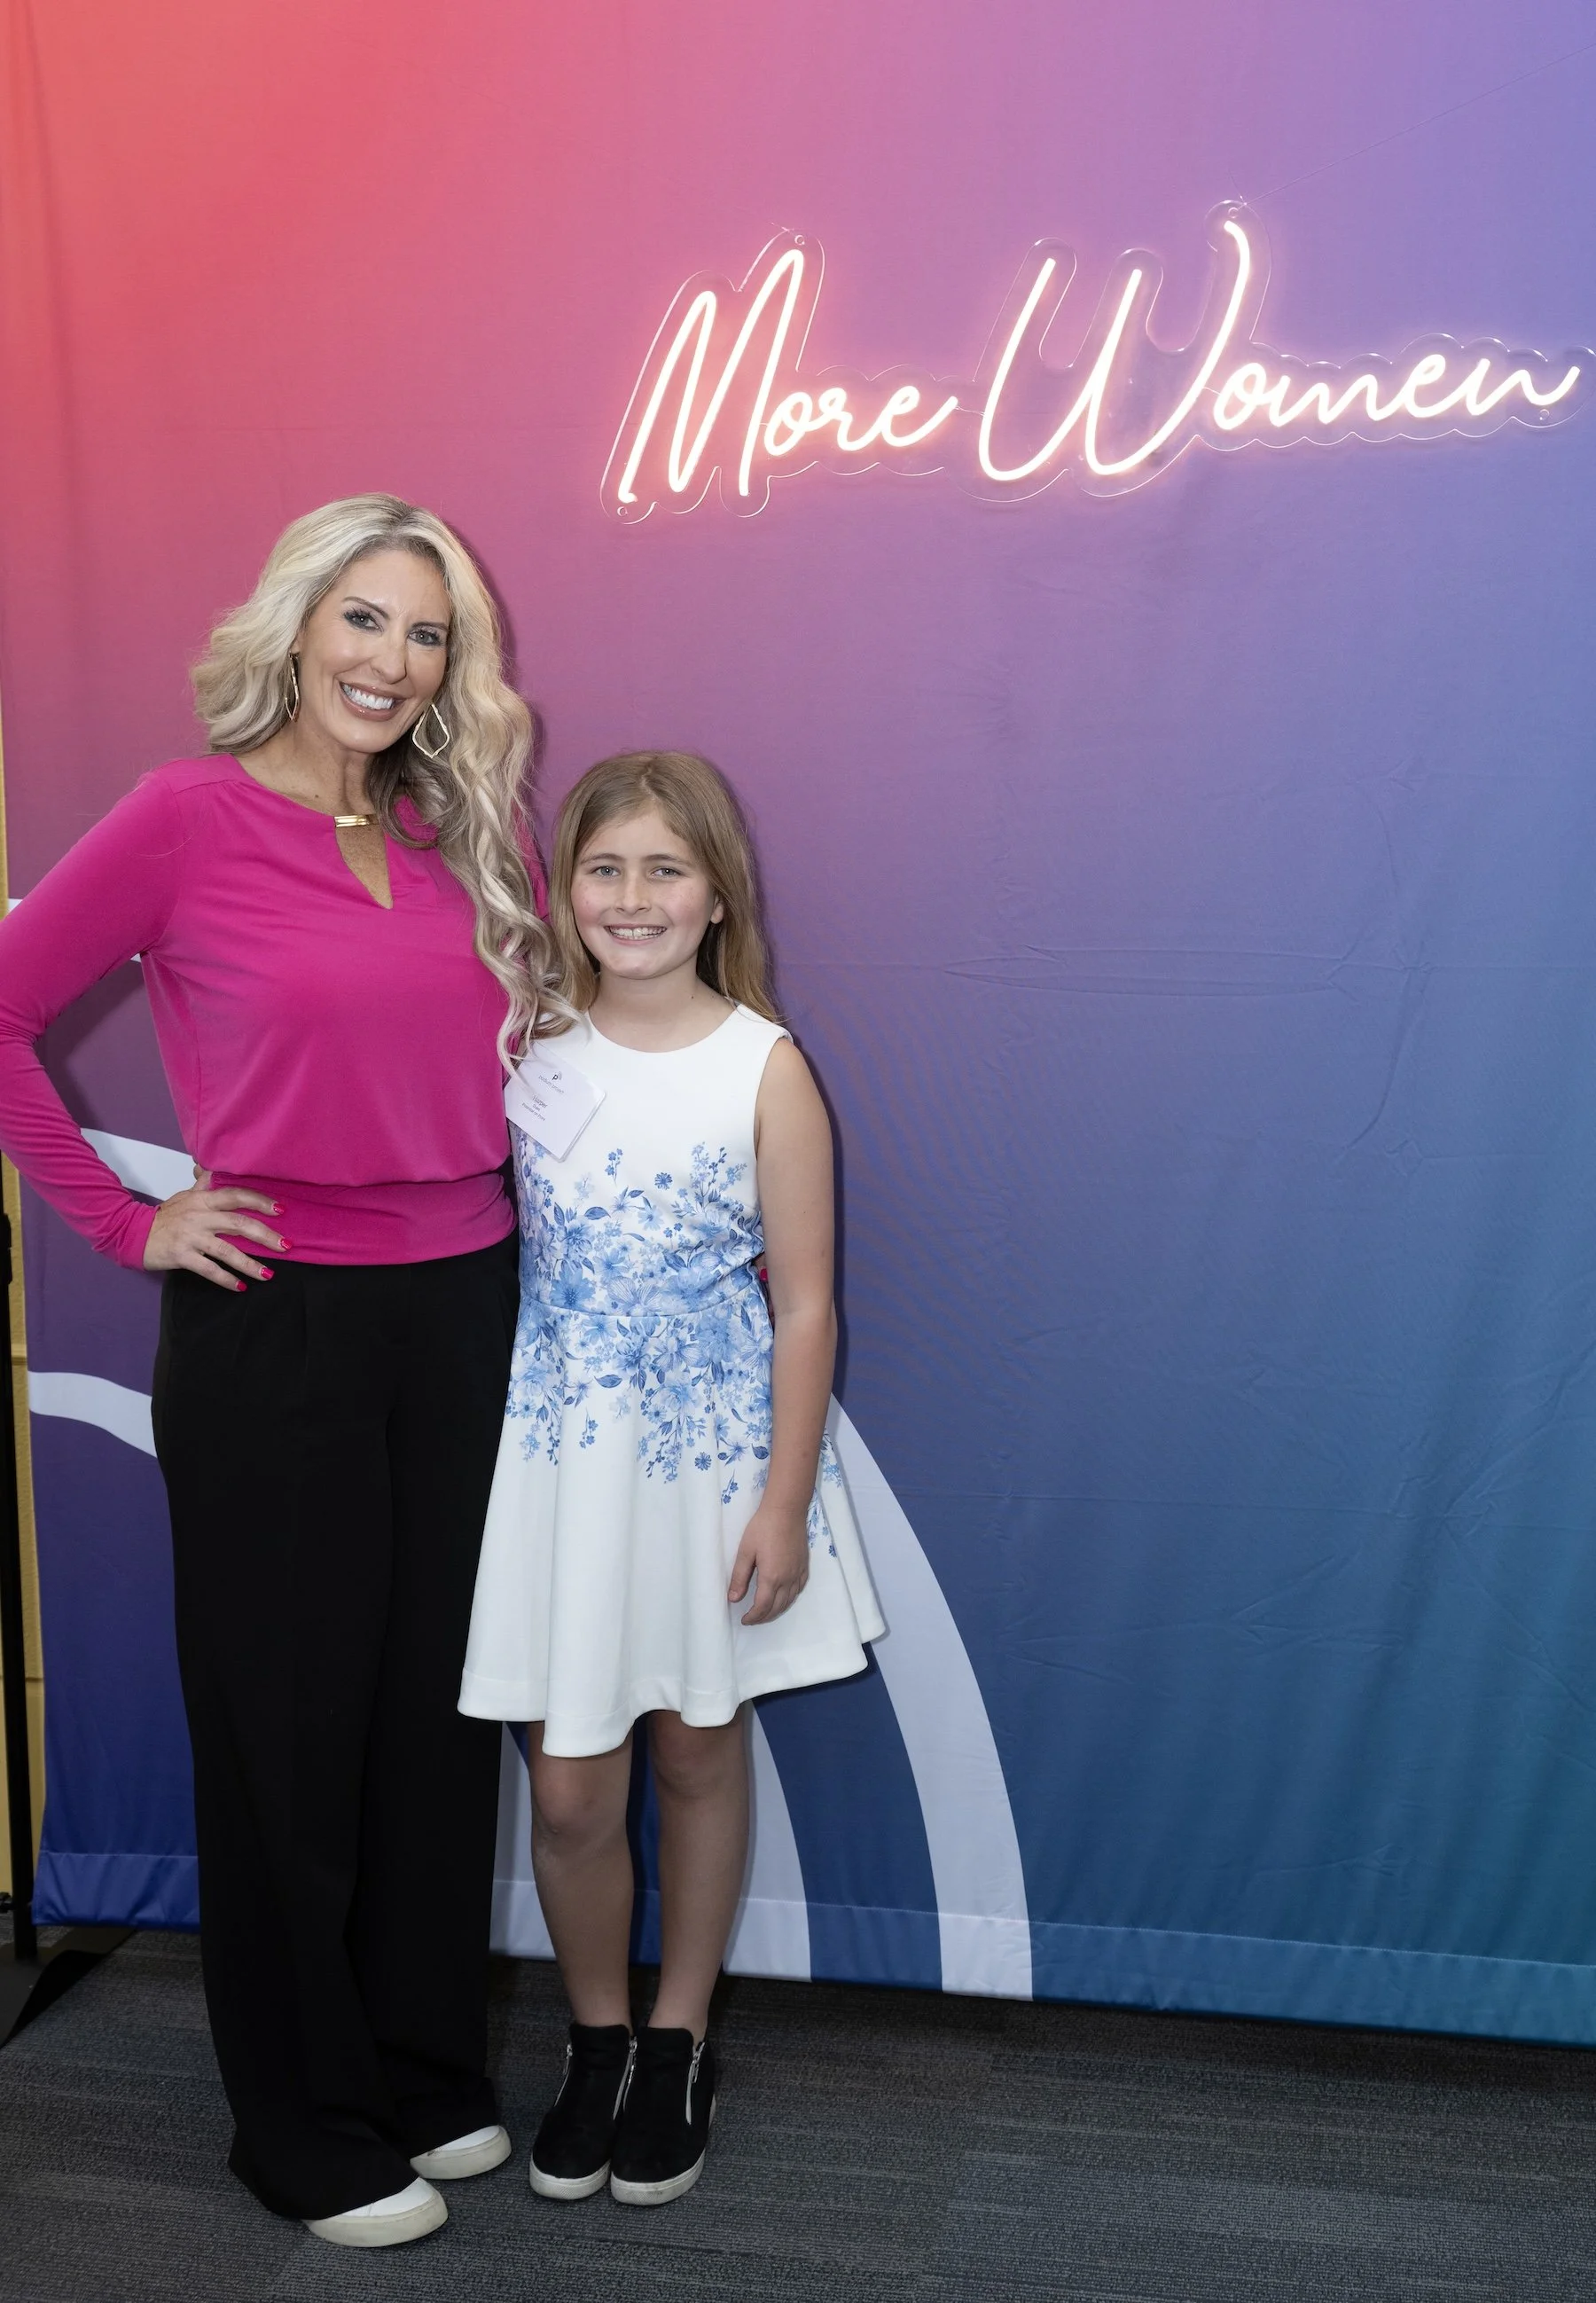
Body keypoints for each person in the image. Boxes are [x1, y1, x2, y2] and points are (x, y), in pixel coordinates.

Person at [0, 495, 556, 2249]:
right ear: (298, 624)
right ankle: (300, 2120)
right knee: (287, 1731)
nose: (396, 660)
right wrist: (120, 1216)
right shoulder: (185, 815)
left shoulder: (481, 835)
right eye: (368, 619)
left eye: (430, 633)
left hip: (468, 1306)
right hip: (281, 1321)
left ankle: (420, 2065)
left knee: (431, 1719)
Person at [459, 749, 884, 2206]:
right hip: (565, 1466)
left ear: (715, 896)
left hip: (710, 1468)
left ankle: (679, 2040)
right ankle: (594, 2037)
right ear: (564, 891)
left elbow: (808, 1307)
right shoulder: (524, 1051)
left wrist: (782, 1499)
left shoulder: (764, 1064)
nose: (632, 897)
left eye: (664, 869)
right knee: (573, 1784)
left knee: (699, 1747)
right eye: (604, 867)